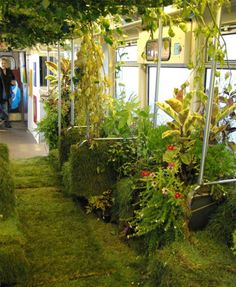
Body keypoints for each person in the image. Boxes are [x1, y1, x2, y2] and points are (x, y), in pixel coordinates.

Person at [0, 57, 16, 128]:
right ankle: (5, 122)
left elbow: (13, 79)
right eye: (2, 63)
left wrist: (13, 82)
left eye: (4, 63)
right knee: (4, 109)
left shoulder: (9, 71)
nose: (3, 64)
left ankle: (5, 122)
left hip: (6, 92)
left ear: (7, 64)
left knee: (6, 108)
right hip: (0, 91)